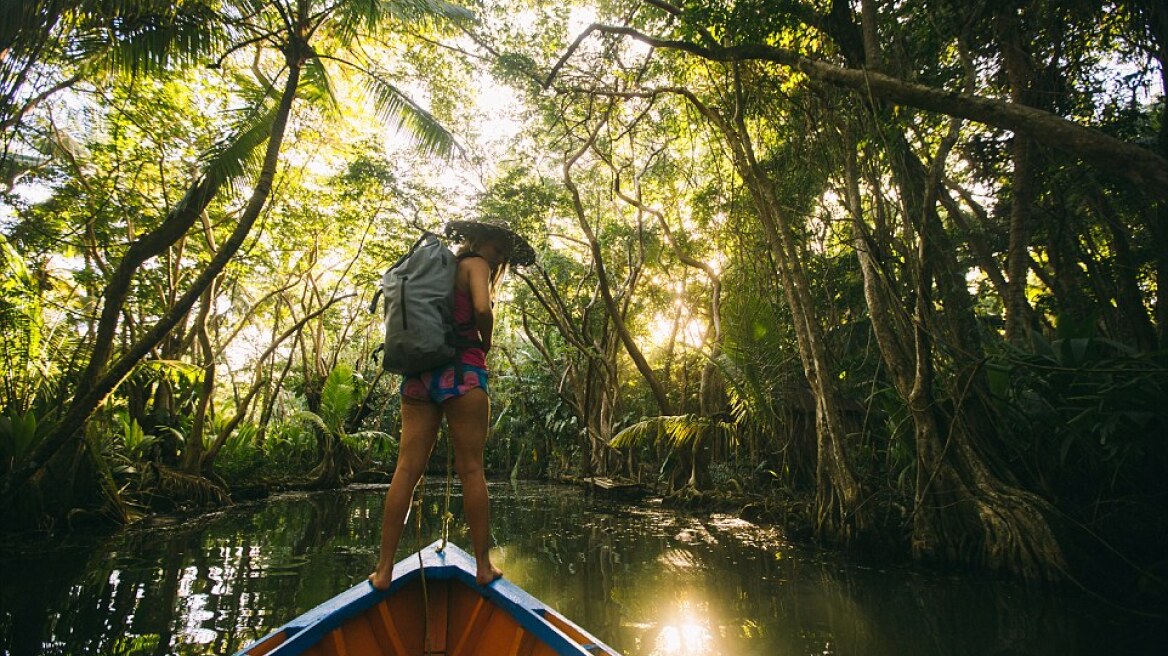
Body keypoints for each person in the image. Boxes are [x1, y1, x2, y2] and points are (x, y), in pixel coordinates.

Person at [369, 219, 534, 589]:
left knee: (406, 471)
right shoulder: (475, 266)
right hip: (463, 370)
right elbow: (481, 310)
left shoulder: (438, 270)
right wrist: (485, 343)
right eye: (497, 247)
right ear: (479, 241)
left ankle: (383, 571)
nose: (500, 255)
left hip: (420, 373)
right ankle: (482, 567)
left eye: (503, 252)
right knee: (472, 470)